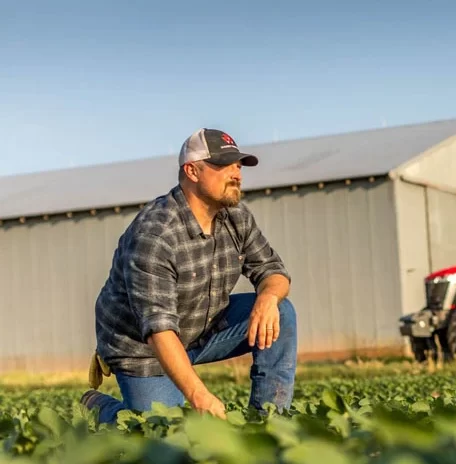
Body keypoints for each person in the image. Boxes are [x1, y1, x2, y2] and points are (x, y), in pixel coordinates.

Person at [80, 128, 297, 424]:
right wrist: (199, 395)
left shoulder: (237, 218)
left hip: (201, 329)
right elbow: (158, 329)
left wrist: (268, 296)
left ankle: (268, 423)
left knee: (281, 312)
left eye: (238, 165)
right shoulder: (155, 234)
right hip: (145, 348)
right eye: (224, 165)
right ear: (192, 171)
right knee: (165, 431)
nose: (236, 173)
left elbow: (273, 271)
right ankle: (100, 407)